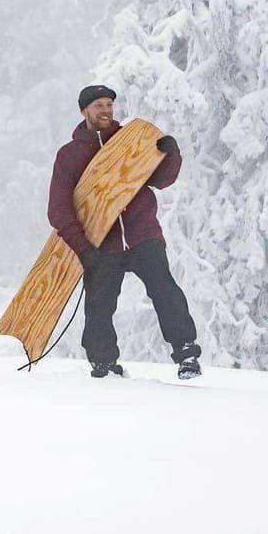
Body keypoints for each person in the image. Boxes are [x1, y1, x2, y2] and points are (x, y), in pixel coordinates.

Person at [47, 84, 202, 380]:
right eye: (98, 106)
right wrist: (84, 248)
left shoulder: (130, 141)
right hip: (100, 243)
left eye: (109, 105)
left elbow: (162, 180)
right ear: (84, 111)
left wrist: (171, 155)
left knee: (166, 292)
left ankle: (187, 354)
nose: (105, 110)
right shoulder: (69, 155)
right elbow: (58, 209)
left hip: (143, 235)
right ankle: (103, 364)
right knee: (99, 305)